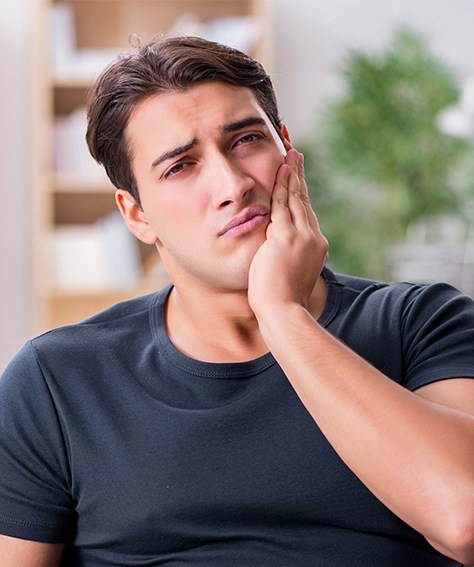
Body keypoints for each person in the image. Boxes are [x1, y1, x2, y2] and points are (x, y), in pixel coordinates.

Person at [0, 35, 473, 567]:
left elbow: (465, 519)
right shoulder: (55, 381)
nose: (232, 184)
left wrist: (282, 314)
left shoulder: (422, 323)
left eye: (246, 140)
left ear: (288, 152)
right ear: (136, 215)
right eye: (180, 166)